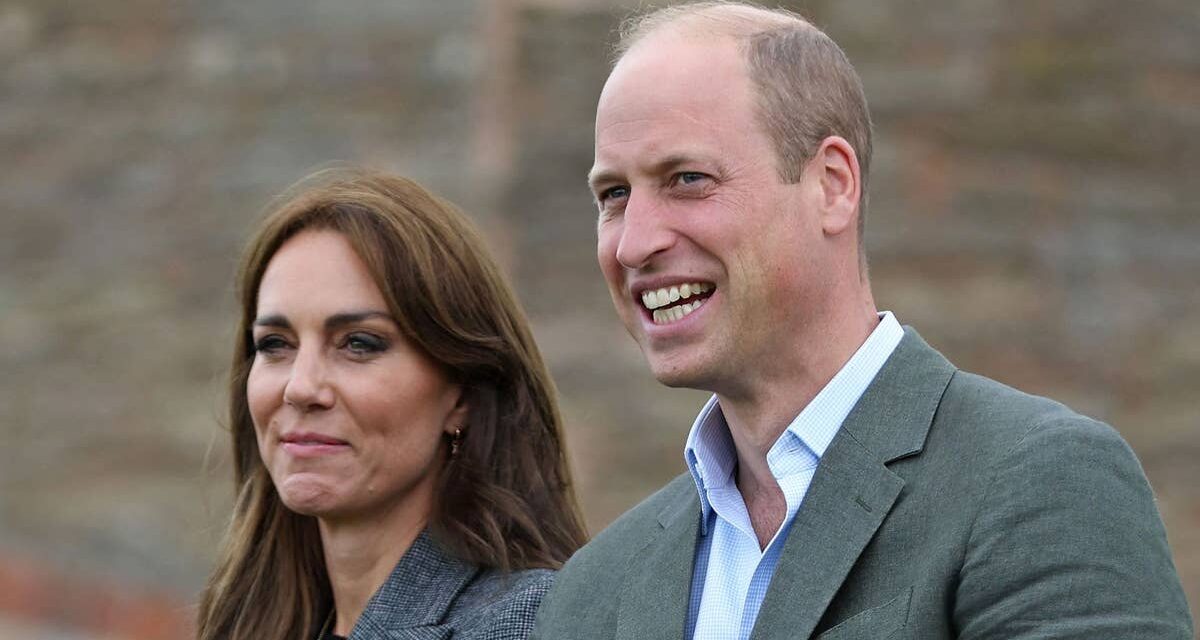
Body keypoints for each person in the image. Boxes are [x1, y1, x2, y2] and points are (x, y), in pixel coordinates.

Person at [533, 2, 1194, 639]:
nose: (633, 244)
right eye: (614, 195)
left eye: (686, 179)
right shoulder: (595, 587)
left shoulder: (1039, 481)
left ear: (832, 185)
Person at [196, 169, 588, 640]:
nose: (300, 388)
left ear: (461, 393)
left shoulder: (524, 624)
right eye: (275, 344)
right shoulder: (248, 622)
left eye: (358, 344)